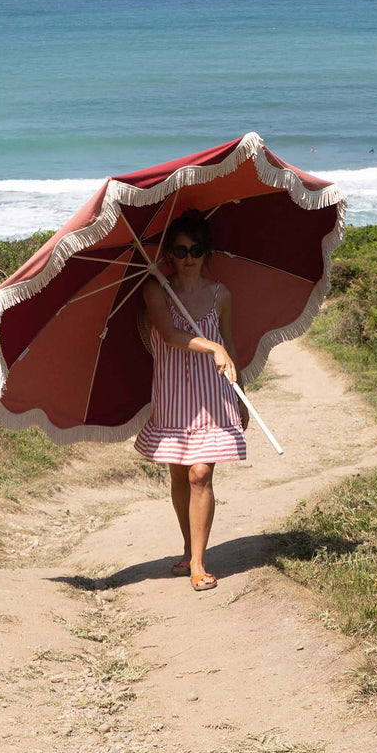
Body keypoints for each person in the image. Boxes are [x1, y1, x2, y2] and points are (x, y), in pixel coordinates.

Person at [134, 209, 246, 592]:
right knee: (180, 474)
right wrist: (212, 346)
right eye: (180, 251)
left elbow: (229, 346)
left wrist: (240, 393)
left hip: (212, 397)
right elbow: (167, 334)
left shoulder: (221, 294)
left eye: (195, 250)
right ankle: (188, 547)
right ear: (169, 254)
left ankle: (198, 563)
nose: (188, 259)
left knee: (201, 473)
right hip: (173, 397)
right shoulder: (155, 290)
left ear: (206, 251)